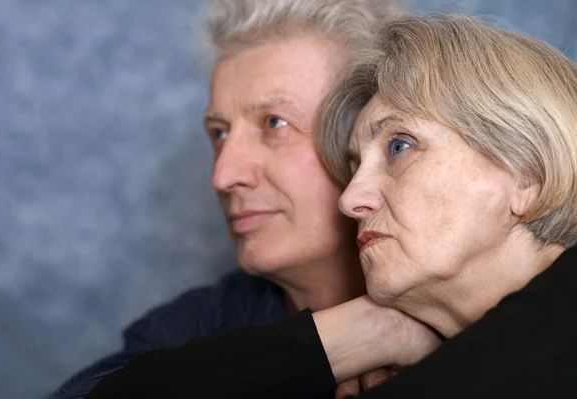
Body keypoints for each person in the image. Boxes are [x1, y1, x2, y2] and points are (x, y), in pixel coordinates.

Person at [83, 13, 577, 398]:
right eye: (217, 133)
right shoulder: (213, 317)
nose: (351, 197)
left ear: (528, 174)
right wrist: (369, 333)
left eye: (400, 147)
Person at [50, 1, 438, 398]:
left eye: (274, 123)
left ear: (368, 133)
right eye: (219, 133)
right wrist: (359, 336)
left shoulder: (479, 322)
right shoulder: (204, 321)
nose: (223, 176)